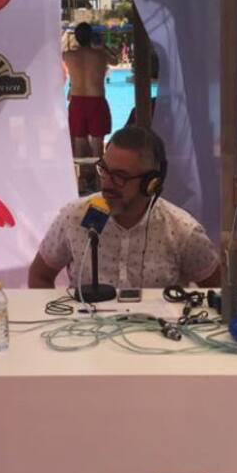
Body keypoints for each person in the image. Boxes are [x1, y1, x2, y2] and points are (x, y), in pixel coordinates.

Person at [29, 125, 221, 290]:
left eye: (120, 176)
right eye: (104, 170)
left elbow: (218, 290)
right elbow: (40, 276)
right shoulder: (74, 217)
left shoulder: (182, 230)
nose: (107, 183)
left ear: (150, 183)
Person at [63, 21, 115, 189]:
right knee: (98, 146)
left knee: (79, 142)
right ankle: (99, 183)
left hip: (77, 100)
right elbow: (115, 60)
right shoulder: (101, 55)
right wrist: (103, 46)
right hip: (96, 100)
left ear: (76, 38)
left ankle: (82, 181)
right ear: (91, 36)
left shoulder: (68, 55)